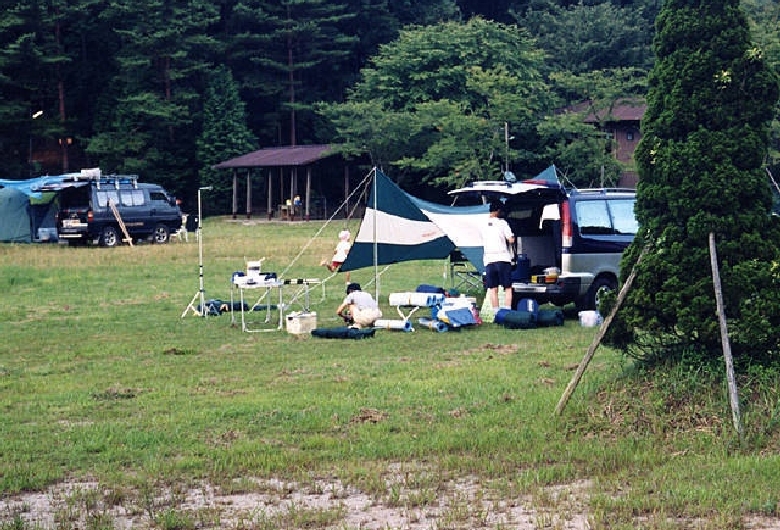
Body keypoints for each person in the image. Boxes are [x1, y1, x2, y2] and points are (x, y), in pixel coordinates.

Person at [481, 200, 515, 311]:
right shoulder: (502, 223)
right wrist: (513, 237)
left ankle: (496, 313)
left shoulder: (482, 224)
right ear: (499, 211)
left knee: (492, 289)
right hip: (503, 259)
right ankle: (507, 311)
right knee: (508, 288)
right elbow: (510, 240)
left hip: (489, 260)